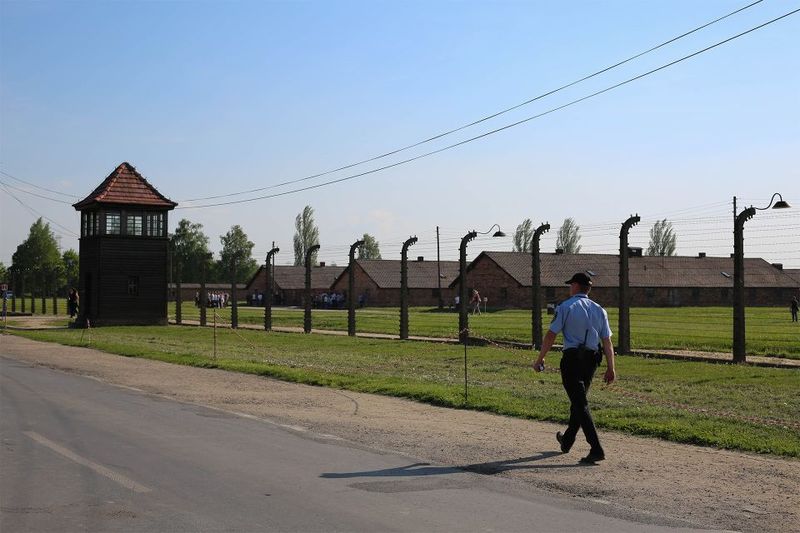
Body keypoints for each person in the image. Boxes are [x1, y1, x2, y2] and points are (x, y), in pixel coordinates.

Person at [533, 272, 616, 464]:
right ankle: (567, 440)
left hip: (572, 360)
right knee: (578, 401)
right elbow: (607, 341)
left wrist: (540, 359)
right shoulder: (599, 309)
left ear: (576, 286)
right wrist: (611, 368)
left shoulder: (566, 307)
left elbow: (551, 335)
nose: (569, 288)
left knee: (580, 403)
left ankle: (596, 448)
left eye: (571, 285)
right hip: (592, 360)